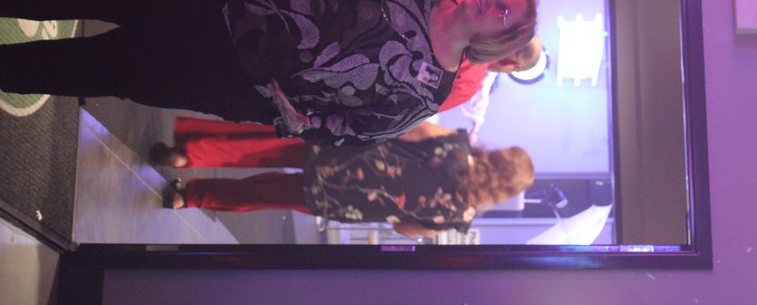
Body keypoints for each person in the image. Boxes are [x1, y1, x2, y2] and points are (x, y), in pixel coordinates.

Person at [0, 0, 539, 146]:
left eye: (502, 13)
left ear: (499, 42)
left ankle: (7, 72)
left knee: (118, 68)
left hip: (242, 74)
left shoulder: (426, 90)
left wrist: (297, 119)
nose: (490, 0)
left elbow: (354, 131)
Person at [147, 34, 544, 169]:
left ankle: (159, 54)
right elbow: (409, 115)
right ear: (510, 65)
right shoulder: (469, 84)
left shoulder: (467, 13)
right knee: (267, 129)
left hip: (337, 36)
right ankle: (190, 151)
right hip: (346, 99)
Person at [159, 122, 535, 239]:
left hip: (346, 155)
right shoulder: (460, 216)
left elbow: (411, 130)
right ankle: (189, 198)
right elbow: (405, 229)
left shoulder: (456, 147)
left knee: (262, 150)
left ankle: (187, 155)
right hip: (345, 201)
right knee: (264, 196)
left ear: (498, 155)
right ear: (504, 192)